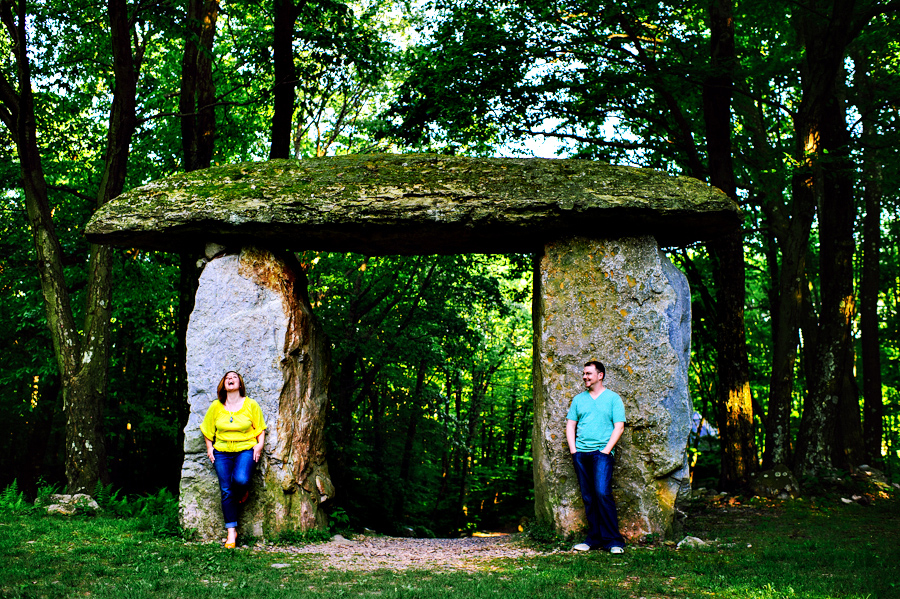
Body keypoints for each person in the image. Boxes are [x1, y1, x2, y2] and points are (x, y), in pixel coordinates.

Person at [201, 371, 267, 548]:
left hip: (245, 449)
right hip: (221, 452)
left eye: (234, 377)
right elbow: (207, 430)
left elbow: (260, 428)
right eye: (227, 378)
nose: (230, 379)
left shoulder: (250, 404)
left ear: (240, 384)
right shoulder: (216, 406)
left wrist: (259, 445)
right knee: (226, 490)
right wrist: (209, 448)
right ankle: (232, 532)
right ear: (223, 384)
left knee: (240, 479)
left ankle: (241, 490)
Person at [566, 360, 626, 554]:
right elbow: (570, 425)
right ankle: (593, 539)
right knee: (588, 497)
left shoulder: (613, 399)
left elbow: (619, 426)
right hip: (581, 453)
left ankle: (614, 541)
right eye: (584, 373)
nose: (585, 377)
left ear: (600, 375)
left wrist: (606, 451)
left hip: (602, 453)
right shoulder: (578, 400)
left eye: (588, 373)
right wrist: (574, 451)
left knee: (602, 494)